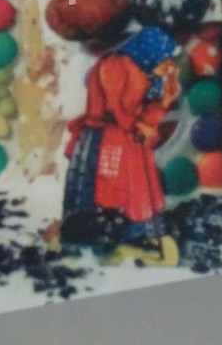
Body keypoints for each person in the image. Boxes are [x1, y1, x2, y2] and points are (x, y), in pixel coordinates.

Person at [60, 27, 181, 263]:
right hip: (107, 137)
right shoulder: (116, 64)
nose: (164, 61)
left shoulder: (146, 74)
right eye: (162, 55)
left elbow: (147, 116)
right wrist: (140, 122)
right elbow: (117, 110)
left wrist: (164, 98)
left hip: (129, 140)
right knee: (107, 187)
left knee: (137, 188)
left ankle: (134, 234)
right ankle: (95, 234)